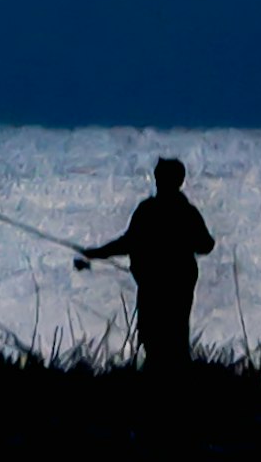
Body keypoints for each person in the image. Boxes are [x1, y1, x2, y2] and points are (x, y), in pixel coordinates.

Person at [76, 155, 216, 370]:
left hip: (153, 284)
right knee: (176, 331)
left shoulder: (148, 210)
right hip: (180, 281)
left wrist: (96, 253)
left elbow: (127, 243)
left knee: (153, 333)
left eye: (159, 177)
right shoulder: (187, 212)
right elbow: (206, 245)